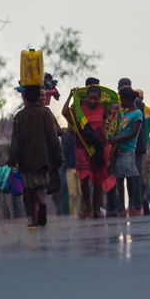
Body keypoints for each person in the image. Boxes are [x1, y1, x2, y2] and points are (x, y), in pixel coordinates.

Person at [8, 86, 62, 228]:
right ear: (38, 97)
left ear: (25, 98)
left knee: (29, 188)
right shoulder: (45, 113)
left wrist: (12, 159)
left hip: (25, 161)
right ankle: (42, 205)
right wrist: (58, 156)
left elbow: (15, 141)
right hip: (43, 159)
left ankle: (33, 216)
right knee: (42, 186)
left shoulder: (19, 116)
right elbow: (53, 138)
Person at [63, 79, 113, 218]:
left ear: (99, 98)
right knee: (84, 177)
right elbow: (65, 112)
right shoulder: (80, 107)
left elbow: (111, 122)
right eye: (90, 98)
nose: (92, 101)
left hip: (100, 147)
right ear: (87, 96)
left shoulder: (104, 108)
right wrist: (70, 96)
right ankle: (88, 208)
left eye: (95, 98)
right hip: (83, 147)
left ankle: (96, 209)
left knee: (98, 179)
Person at [108, 87, 145, 218]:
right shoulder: (123, 113)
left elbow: (133, 133)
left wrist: (116, 139)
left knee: (130, 179)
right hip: (118, 150)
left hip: (128, 149)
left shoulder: (137, 113)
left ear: (127, 100)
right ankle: (122, 208)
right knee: (119, 179)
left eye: (121, 99)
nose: (120, 102)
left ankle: (131, 205)